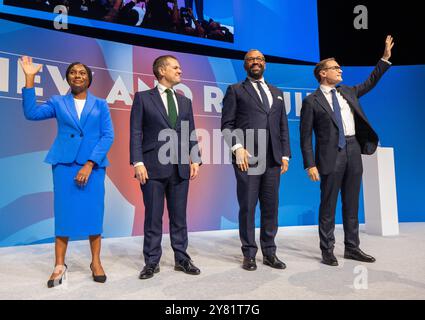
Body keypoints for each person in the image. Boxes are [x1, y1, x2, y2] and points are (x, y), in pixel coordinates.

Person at [300, 35, 395, 266]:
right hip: (330, 155)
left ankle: (352, 248)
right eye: (335, 68)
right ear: (323, 73)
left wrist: (384, 59)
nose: (340, 70)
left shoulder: (348, 92)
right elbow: (305, 137)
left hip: (353, 150)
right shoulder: (311, 101)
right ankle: (327, 250)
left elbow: (371, 81)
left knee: (352, 203)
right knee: (329, 204)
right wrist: (310, 164)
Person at [20, 56, 114, 287]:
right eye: (73, 72)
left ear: (89, 79)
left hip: (93, 167)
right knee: (63, 214)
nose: (78, 75)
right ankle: (59, 265)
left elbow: (107, 135)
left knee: (94, 213)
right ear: (67, 78)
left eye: (82, 72)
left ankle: (95, 262)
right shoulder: (57, 102)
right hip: (64, 165)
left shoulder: (101, 104)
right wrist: (30, 77)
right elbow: (31, 113)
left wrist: (90, 163)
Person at [130, 55, 202, 279]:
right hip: (151, 167)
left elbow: (190, 132)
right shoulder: (143, 98)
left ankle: (182, 258)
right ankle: (152, 261)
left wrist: (195, 159)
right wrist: (138, 161)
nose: (180, 71)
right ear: (162, 71)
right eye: (176, 67)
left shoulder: (185, 101)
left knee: (179, 217)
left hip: (180, 167)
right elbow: (136, 132)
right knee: (153, 217)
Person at [221, 49, 291, 271]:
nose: (255, 62)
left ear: (265, 64)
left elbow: (282, 126)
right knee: (248, 207)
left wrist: (285, 154)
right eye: (251, 59)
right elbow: (226, 125)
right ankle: (249, 254)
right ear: (245, 65)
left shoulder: (277, 92)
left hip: (272, 159)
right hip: (248, 158)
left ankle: (270, 252)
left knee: (271, 207)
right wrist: (237, 147)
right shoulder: (235, 90)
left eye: (259, 59)